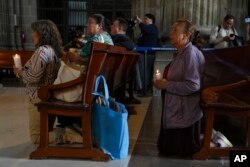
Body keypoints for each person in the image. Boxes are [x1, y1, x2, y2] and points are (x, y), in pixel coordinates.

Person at [13, 20, 82, 144]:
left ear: (41, 34)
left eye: (34, 32)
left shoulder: (42, 51)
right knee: (46, 130)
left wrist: (19, 71)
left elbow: (33, 76)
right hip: (47, 95)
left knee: (37, 137)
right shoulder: (53, 50)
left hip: (38, 97)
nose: (32, 35)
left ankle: (68, 133)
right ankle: (67, 131)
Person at [153, 19, 205, 157]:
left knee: (173, 153)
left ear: (186, 35)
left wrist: (166, 84)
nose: (170, 33)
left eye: (174, 30)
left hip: (184, 113)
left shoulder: (190, 54)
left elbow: (194, 85)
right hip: (176, 109)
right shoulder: (181, 52)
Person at [110, 17, 140, 104]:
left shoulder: (120, 38)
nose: (111, 26)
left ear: (119, 28)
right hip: (120, 75)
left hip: (114, 76)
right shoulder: (119, 38)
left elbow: (131, 45)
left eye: (113, 25)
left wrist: (112, 46)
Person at [136, 13, 158, 94]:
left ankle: (145, 89)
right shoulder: (146, 29)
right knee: (143, 71)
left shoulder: (153, 27)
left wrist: (140, 22)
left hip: (148, 54)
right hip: (143, 53)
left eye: (146, 18)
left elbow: (145, 29)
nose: (144, 20)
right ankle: (142, 88)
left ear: (151, 20)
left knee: (146, 72)